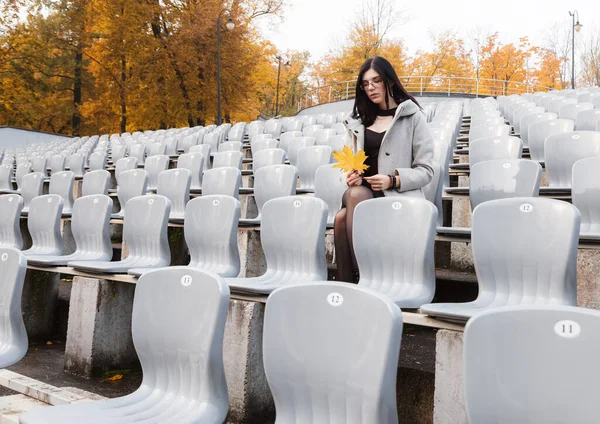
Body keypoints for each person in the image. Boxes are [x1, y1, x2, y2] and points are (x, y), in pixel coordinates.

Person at [334, 56, 434, 283]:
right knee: (356, 194)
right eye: (365, 84)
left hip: (395, 195)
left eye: (376, 81)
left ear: (388, 81)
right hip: (361, 193)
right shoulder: (357, 120)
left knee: (341, 219)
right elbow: (345, 165)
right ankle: (361, 276)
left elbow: (426, 170)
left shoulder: (412, 116)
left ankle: (353, 280)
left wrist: (393, 180)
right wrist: (347, 177)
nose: (370, 88)